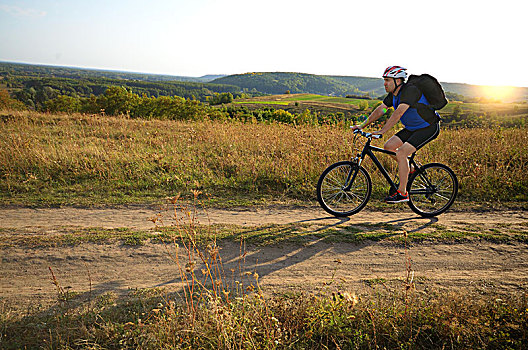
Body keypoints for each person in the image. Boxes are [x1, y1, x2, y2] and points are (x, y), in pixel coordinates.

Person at [351, 66, 440, 203]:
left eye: (387, 80)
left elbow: (398, 113)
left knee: (402, 153)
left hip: (428, 127)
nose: (384, 83)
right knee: (389, 146)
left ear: (398, 81)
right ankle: (411, 170)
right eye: (384, 80)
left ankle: (403, 193)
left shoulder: (410, 91)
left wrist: (382, 131)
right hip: (412, 128)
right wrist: (362, 126)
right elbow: (381, 109)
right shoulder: (393, 94)